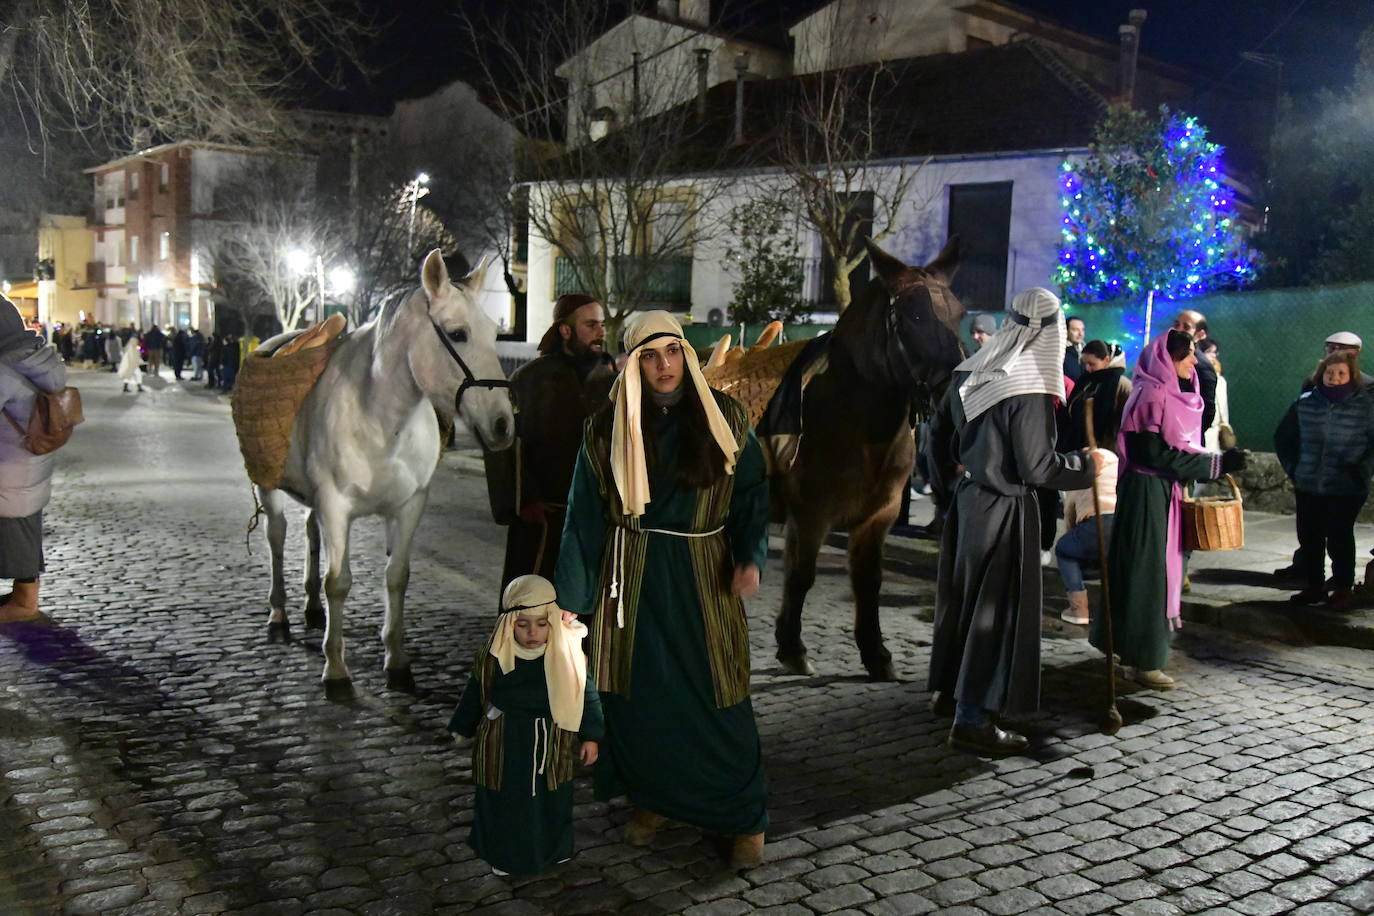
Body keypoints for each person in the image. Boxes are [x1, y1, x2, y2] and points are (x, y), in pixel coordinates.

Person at [555, 310, 770, 869]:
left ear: (687, 354)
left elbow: (750, 495)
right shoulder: (606, 429)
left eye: (672, 352)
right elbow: (582, 517)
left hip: (705, 573)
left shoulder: (725, 418)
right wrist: (572, 602)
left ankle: (744, 816)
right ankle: (654, 800)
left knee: (719, 693)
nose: (664, 366)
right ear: (633, 364)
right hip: (632, 575)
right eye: (649, 356)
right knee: (640, 697)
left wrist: (749, 556)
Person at [927, 288, 1098, 756]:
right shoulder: (1028, 385)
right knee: (992, 613)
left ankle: (950, 694)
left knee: (964, 604)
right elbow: (1037, 466)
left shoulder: (971, 372)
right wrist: (1085, 468)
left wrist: (951, 488)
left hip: (968, 506)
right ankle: (973, 720)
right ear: (1049, 331)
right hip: (1004, 510)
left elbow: (934, 439)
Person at [1090, 330, 1246, 689]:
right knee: (1150, 574)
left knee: (1147, 571)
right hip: (1148, 493)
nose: (1194, 362)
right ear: (1167, 359)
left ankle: (1132, 651)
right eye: (1187, 355)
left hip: (1162, 491)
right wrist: (1216, 466)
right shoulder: (1153, 394)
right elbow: (1154, 454)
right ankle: (1143, 659)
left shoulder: (1171, 393)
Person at [449, 575, 604, 877]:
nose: (533, 633)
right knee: (507, 801)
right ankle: (505, 854)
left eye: (541, 624)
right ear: (509, 624)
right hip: (505, 741)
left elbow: (586, 694)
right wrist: (462, 725)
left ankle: (555, 848)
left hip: (552, 740)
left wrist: (591, 736)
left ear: (552, 621)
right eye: (523, 625)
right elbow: (476, 691)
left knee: (554, 799)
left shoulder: (567, 655)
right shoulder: (493, 657)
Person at [485, 294, 615, 589]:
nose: (601, 332)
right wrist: (524, 500)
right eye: (591, 325)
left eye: (602, 325)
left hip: (595, 521)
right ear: (566, 331)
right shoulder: (529, 379)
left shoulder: (612, 382)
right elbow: (503, 443)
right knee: (534, 607)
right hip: (542, 523)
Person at [1274, 350, 1374, 611]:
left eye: (1341, 373)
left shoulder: (1365, 406)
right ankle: (1314, 586)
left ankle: (1342, 587)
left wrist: (1361, 469)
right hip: (1308, 483)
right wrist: (1295, 469)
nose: (1335, 378)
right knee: (1310, 537)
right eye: (1330, 373)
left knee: (1339, 536)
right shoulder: (1306, 402)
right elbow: (1284, 437)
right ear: (1321, 375)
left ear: (1351, 375)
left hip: (1346, 486)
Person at [0, 297, 67, 622]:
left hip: (10, 463)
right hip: (29, 458)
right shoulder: (36, 359)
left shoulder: (5, 368)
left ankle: (24, 605)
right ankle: (23, 595)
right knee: (24, 526)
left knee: (15, 528)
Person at [1055, 449, 1118, 625]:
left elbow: (1069, 513)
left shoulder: (1082, 469)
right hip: (1122, 521)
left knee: (1065, 550)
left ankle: (1078, 610)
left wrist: (1071, 535)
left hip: (1096, 521)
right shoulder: (1116, 461)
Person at [1061, 340, 1132, 453]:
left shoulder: (1122, 385)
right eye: (1085, 364)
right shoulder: (1086, 381)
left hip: (1108, 451)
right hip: (1080, 449)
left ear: (1107, 360)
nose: (1087, 368)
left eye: (1092, 364)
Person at [1170, 310, 1217, 436]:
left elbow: (1207, 411)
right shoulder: (1165, 356)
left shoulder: (1201, 366)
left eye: (1186, 327)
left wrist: (1187, 435)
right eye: (1176, 324)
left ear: (1201, 334)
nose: (1178, 329)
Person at [1063, 316, 1086, 382]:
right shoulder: (1060, 351)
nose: (1080, 334)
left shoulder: (1087, 351)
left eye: (1082, 329)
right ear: (1066, 331)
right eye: (1076, 330)